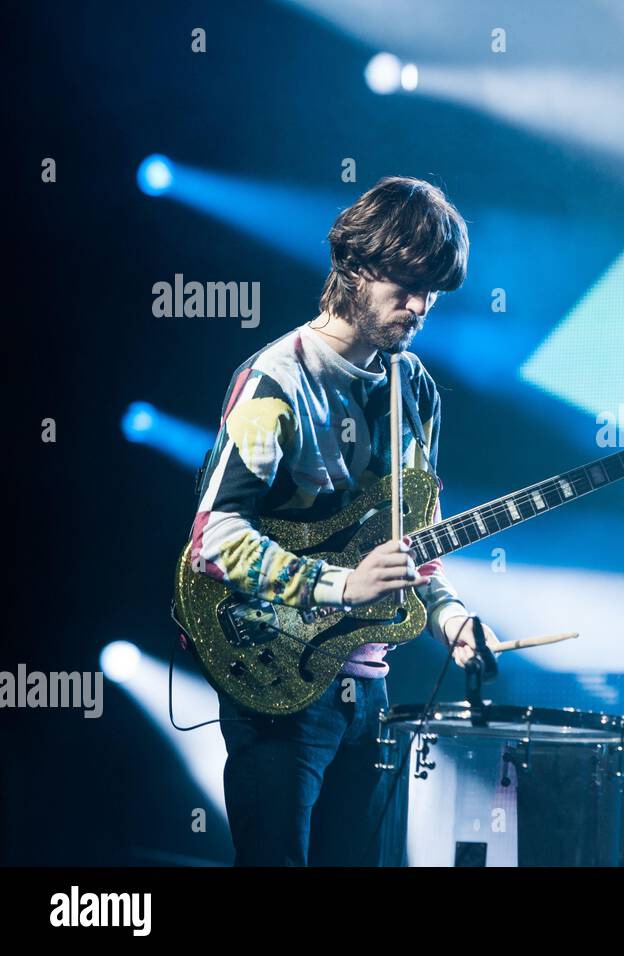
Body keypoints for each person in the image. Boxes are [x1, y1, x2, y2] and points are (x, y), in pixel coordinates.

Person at [188, 176, 498, 865]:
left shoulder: (413, 388)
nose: (419, 306)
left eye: (433, 290)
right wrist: (342, 586)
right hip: (276, 678)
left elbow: (413, 547)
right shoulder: (279, 380)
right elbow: (216, 538)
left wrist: (448, 616)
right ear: (354, 268)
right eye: (406, 283)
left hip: (369, 684)